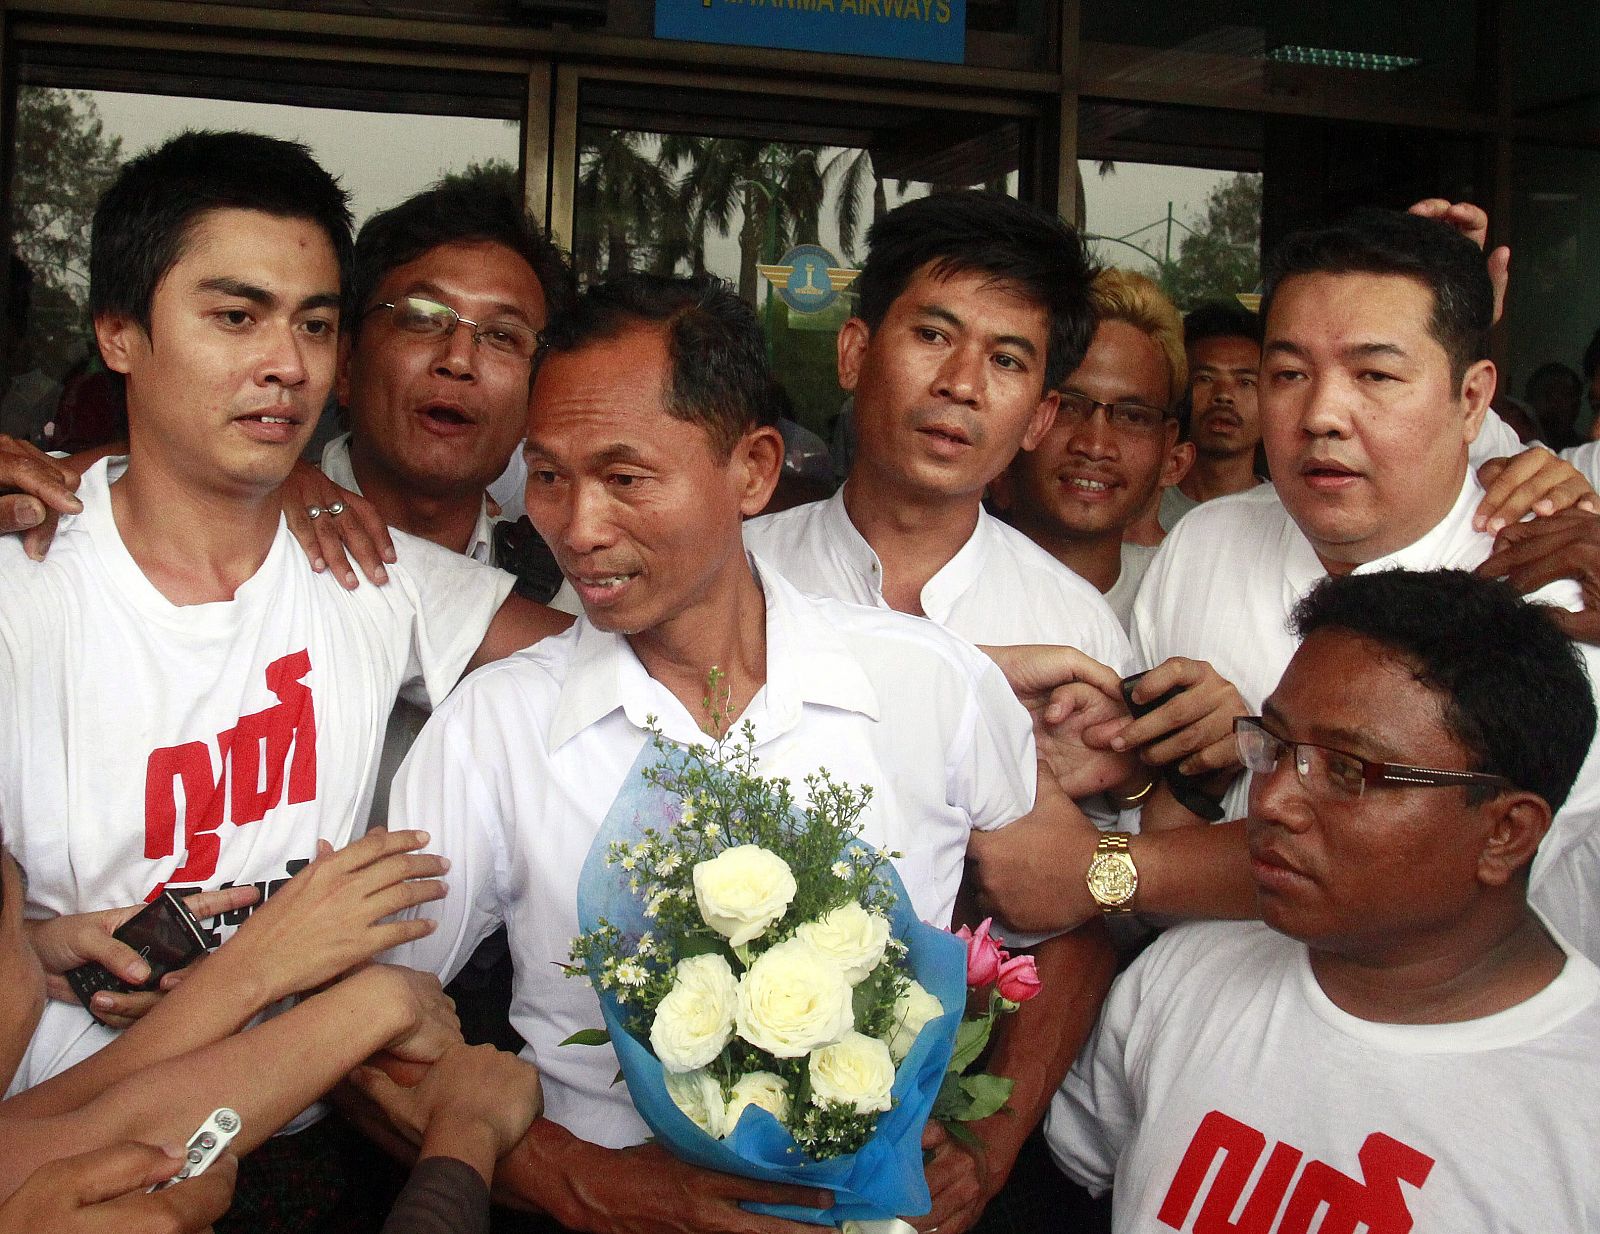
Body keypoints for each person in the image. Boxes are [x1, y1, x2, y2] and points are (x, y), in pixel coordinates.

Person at [362, 273, 1113, 1234]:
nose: (580, 529)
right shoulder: (495, 729)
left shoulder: (931, 684)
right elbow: (369, 1019)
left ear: (753, 470)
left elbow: (1070, 925)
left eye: (626, 477)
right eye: (548, 475)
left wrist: (989, 1142)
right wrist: (584, 1183)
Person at [0, 129, 566, 1230]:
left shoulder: (366, 569)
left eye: (313, 323)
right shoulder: (23, 587)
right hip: (69, 1167)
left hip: (316, 1139)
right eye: (235, 316)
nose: (286, 362)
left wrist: (978, 680)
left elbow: (647, 666)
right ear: (120, 333)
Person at [1105, 208, 1600, 963]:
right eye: (1290, 374)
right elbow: (1128, 791)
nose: (1322, 416)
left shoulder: (1551, 592)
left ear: (1472, 401)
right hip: (1183, 1025)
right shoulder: (1205, 544)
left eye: (1375, 375)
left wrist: (1099, 874)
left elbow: (1462, 877)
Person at [1045, 568, 1600, 1231]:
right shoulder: (1184, 974)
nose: (1273, 800)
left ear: (1507, 832)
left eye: (1347, 771)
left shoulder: (1579, 1115)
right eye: (1276, 748)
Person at [740, 190, 1129, 673]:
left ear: (1039, 418)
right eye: (932, 335)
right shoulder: (734, 574)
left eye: (1006, 360)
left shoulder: (1076, 631)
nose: (962, 384)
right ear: (855, 354)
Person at [991, 268, 1189, 627]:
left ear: (1169, 453)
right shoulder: (934, 593)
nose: (1095, 445)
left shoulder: (1186, 605)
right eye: (1068, 405)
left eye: (1133, 416)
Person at [1158, 299, 1263, 531]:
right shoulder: (1143, 511)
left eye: (1245, 382)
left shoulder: (1288, 514)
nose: (1224, 395)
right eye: (1204, 378)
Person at [1525, 360, 1584, 450]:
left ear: (1577, 405)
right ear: (1529, 399)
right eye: (1548, 394)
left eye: (1565, 395)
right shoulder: (1514, 443)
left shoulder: (1583, 452)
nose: (1556, 402)